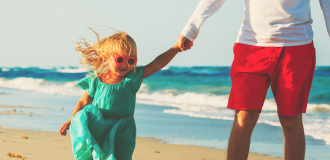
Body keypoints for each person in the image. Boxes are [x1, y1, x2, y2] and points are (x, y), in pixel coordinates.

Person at [176, 0, 330, 160]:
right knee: (244, 117)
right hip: (251, 44)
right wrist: (191, 28)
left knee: (290, 121)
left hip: (296, 45)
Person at [59, 30, 185, 160]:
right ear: (107, 57)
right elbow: (84, 101)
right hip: (99, 126)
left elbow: (157, 64)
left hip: (123, 128)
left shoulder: (132, 79)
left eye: (130, 60)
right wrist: (70, 120)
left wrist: (176, 48)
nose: (125, 64)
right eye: (119, 59)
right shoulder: (97, 79)